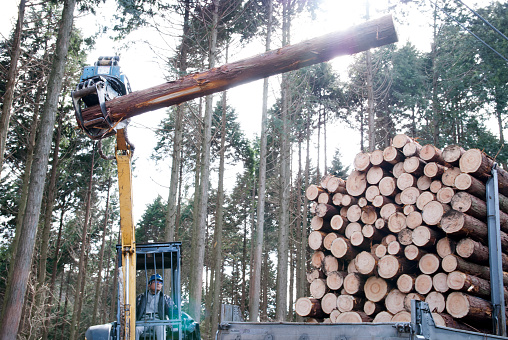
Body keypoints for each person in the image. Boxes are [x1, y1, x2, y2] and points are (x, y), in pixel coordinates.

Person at [135, 274, 175, 340]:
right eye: (155, 282)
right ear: (149, 285)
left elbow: (172, 310)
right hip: (144, 321)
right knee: (136, 330)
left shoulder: (165, 298)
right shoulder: (141, 297)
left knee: (161, 328)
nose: (158, 284)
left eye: (160, 282)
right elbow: (134, 310)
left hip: (158, 321)